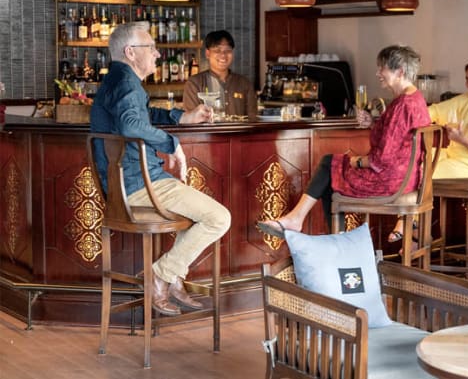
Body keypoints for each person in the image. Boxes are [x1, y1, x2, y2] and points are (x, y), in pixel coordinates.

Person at [90, 22, 231, 316]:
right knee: (219, 218)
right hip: (141, 186)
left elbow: (142, 114)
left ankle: (173, 276)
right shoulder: (127, 83)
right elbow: (131, 124)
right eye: (151, 48)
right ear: (130, 52)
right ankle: (160, 275)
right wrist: (171, 143)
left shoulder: (117, 79)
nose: (157, 54)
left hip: (127, 186)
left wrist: (181, 117)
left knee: (197, 217)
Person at [257, 45, 431, 237]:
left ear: (400, 72)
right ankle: (315, 230)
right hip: (407, 178)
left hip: (390, 182)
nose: (378, 73)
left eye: (382, 68)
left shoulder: (402, 105)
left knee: (329, 165)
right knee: (330, 173)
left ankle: (306, 225)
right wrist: (373, 124)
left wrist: (357, 161)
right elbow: (397, 138)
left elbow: (380, 160)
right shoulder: (415, 99)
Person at [388, 58, 468, 242]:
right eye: (467, 78)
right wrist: (404, 118)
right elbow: (435, 111)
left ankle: (409, 224)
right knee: (410, 161)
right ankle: (416, 230)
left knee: (421, 172)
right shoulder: (466, 100)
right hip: (451, 155)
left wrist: (464, 141)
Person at [183, 30, 257, 120]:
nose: (223, 55)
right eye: (217, 50)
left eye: (228, 50)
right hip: (207, 130)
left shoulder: (244, 83)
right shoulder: (194, 83)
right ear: (207, 53)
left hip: (240, 130)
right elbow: (190, 120)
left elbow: (253, 119)